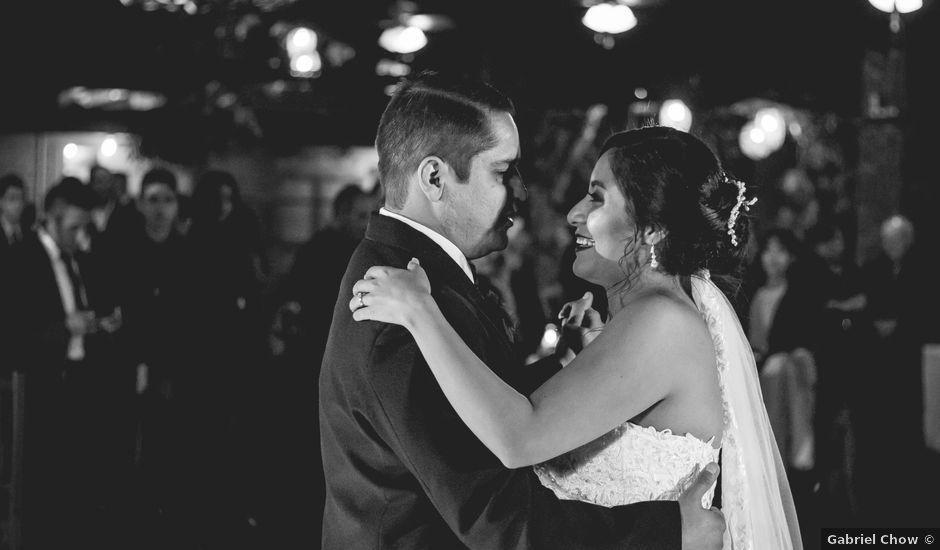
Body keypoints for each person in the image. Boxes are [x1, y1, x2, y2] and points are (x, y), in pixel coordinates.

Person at [320, 71, 724, 550]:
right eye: (502, 171)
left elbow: (487, 412)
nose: (523, 190)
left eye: (596, 196)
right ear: (434, 177)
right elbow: (498, 517)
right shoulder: (400, 308)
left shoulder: (416, 286)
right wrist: (668, 531)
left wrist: (569, 366)